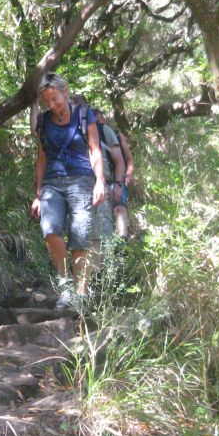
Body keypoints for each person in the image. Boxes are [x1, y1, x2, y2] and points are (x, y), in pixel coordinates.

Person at [30, 73, 105, 297]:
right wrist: (38, 194)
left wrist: (100, 181)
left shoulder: (84, 114)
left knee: (80, 235)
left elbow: (95, 150)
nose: (51, 105)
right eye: (47, 101)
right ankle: (65, 284)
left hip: (81, 179)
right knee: (50, 231)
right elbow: (42, 158)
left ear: (66, 92)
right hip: (52, 182)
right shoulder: (44, 121)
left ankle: (81, 291)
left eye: (55, 99)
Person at [89, 109, 125, 268]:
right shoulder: (71, 128)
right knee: (87, 230)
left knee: (104, 227)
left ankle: (106, 271)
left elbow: (120, 161)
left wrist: (118, 184)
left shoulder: (105, 130)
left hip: (103, 183)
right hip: (79, 186)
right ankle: (92, 271)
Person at [95, 110, 133, 238]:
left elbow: (128, 159)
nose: (98, 123)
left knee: (119, 207)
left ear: (104, 120)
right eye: (95, 121)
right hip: (103, 179)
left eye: (100, 120)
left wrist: (128, 173)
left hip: (118, 176)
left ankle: (122, 238)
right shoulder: (92, 136)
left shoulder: (116, 135)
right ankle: (107, 240)